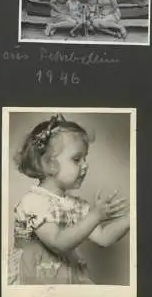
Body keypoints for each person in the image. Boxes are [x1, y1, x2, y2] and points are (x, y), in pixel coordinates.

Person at [8, 114, 130, 285]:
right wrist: (95, 216)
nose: (85, 165)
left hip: (66, 278)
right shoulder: (33, 202)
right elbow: (58, 242)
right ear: (49, 164)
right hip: (35, 280)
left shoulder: (75, 205)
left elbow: (103, 238)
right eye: (77, 159)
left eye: (85, 158)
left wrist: (131, 218)